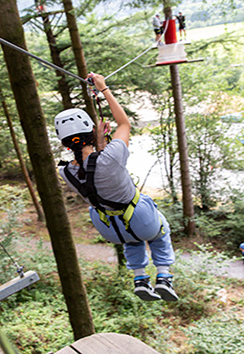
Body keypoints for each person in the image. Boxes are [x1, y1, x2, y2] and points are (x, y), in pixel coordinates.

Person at [55, 73, 178, 302]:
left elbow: (89, 168)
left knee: (132, 240)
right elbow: (124, 124)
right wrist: (104, 89)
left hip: (108, 227)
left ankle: (140, 279)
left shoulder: (65, 171)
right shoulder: (112, 156)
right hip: (140, 218)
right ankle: (163, 277)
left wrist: (98, 143)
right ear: (92, 132)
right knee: (161, 231)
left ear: (64, 141)